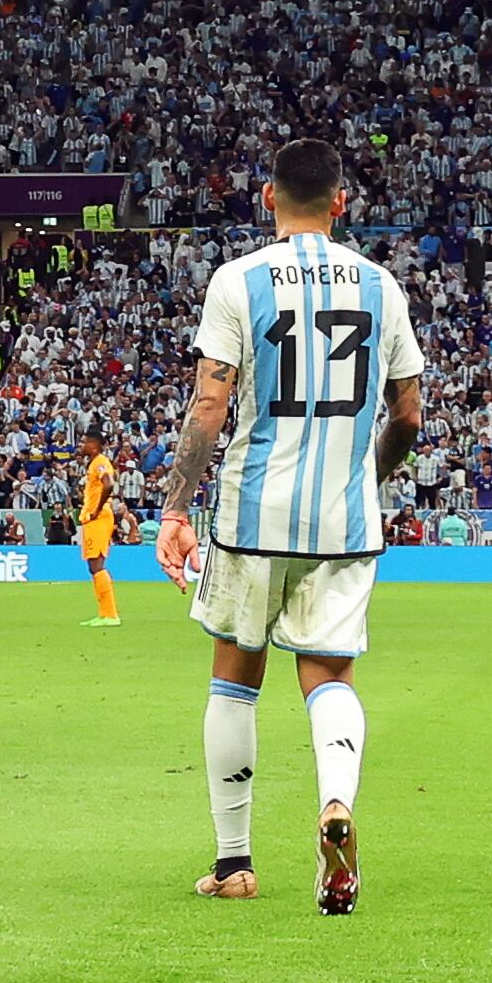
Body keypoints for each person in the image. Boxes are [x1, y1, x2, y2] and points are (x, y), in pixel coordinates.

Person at [154, 138, 424, 916]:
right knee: (330, 676)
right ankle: (335, 804)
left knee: (234, 678)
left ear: (267, 197)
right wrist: (366, 480)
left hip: (249, 515)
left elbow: (210, 406)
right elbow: (408, 413)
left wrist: (176, 505)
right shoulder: (381, 287)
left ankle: (234, 863)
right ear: (340, 202)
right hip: (344, 519)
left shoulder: (238, 281)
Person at [76, 425, 121, 626]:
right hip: (92, 517)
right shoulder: (94, 463)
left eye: (85, 441)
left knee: (97, 564)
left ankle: (110, 615)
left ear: (94, 445)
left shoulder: (100, 462)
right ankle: (104, 614)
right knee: (92, 565)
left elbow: (109, 484)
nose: (82, 445)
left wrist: (97, 508)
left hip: (98, 517)